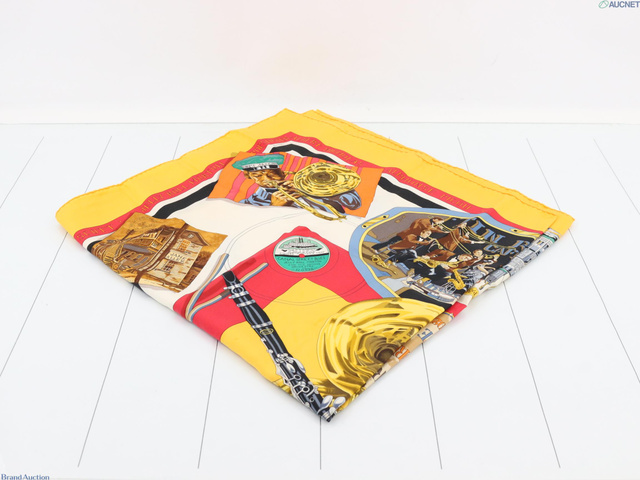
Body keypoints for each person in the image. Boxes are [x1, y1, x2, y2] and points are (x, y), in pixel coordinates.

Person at [234, 154, 362, 213]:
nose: (267, 178)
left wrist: (314, 190)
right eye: (257, 176)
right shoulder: (247, 204)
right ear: (252, 179)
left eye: (272, 173)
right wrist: (275, 208)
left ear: (283, 173)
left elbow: (354, 204)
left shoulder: (309, 183)